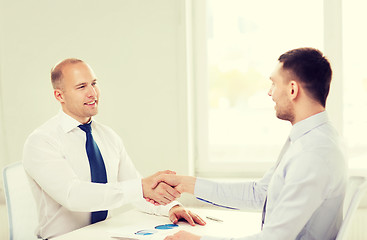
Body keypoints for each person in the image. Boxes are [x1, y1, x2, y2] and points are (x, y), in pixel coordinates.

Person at [152, 47, 347, 240]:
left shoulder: (313, 153)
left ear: (293, 89)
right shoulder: (309, 139)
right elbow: (261, 193)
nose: (270, 93)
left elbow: (275, 238)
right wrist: (186, 184)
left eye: (274, 84)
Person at [23, 58, 205, 239]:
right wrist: (141, 187)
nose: (92, 93)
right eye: (81, 87)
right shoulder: (41, 141)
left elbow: (135, 189)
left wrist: (172, 207)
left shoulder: (107, 136)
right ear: (59, 96)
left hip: (103, 234)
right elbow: (73, 195)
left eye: (94, 83)